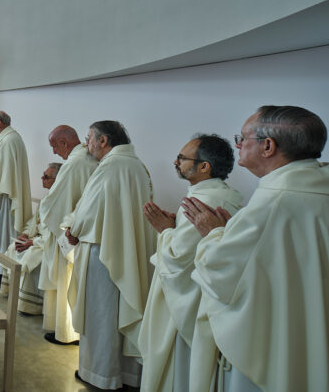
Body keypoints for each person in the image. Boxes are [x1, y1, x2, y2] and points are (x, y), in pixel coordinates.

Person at [182, 106, 329, 392]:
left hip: (275, 340)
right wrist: (231, 232)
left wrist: (213, 234)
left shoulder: (273, 201)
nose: (238, 145)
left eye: (242, 138)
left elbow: (219, 272)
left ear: (268, 146)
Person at [138, 135, 243, 392]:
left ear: (204, 166)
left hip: (187, 301)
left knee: (177, 370)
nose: (176, 162)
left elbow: (175, 260)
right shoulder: (217, 194)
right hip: (195, 295)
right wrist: (174, 227)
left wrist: (164, 230)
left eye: (182, 158)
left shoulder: (206, 200)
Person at [63, 120, 154, 390]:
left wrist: (73, 230)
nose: (86, 144)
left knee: (100, 315)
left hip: (102, 251)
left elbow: (87, 210)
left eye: (89, 138)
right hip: (127, 251)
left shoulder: (110, 166)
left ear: (103, 141)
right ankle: (126, 375)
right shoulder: (138, 166)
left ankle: (99, 374)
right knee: (119, 313)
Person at [38, 125, 98, 346]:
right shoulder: (86, 159)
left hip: (71, 233)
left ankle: (66, 333)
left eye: (55, 146)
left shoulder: (75, 163)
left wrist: (47, 212)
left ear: (64, 142)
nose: (54, 152)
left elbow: (56, 202)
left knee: (67, 282)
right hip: (84, 230)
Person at [0, 163, 61, 313]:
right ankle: (13, 292)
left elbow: (55, 234)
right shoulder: (47, 198)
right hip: (36, 239)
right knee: (13, 248)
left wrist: (32, 242)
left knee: (30, 257)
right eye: (43, 174)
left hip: (46, 244)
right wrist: (26, 234)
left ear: (57, 180)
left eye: (46, 177)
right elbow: (35, 221)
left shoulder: (61, 202)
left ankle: (29, 305)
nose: (42, 178)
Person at [0, 111, 32, 283]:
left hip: (5, 197)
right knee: (3, 234)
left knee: (3, 236)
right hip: (6, 194)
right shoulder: (11, 138)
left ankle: (2, 275)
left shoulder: (8, 141)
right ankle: (1, 273)